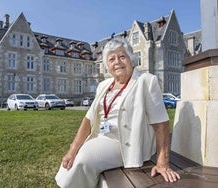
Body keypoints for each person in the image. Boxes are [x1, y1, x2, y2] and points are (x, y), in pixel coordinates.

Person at [55, 38, 180, 188]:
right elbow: (88, 120)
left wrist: (162, 162)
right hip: (100, 138)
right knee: (75, 157)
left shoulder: (146, 81)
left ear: (131, 60)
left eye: (122, 56)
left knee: (84, 159)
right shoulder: (103, 85)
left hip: (125, 144)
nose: (117, 62)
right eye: (111, 59)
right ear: (107, 66)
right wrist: (72, 149)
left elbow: (161, 124)